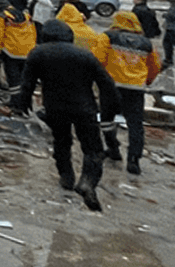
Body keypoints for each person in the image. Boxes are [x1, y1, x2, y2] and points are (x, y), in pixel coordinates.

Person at [14, 18, 120, 210]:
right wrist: (110, 109)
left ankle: (66, 177)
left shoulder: (38, 53)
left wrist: (24, 104)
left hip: (55, 107)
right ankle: (87, 181)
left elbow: (27, 83)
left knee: (61, 142)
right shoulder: (85, 55)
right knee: (93, 149)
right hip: (85, 108)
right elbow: (106, 83)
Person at [100, 8, 161, 175]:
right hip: (135, 88)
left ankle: (113, 149)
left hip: (111, 86)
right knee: (135, 124)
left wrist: (98, 79)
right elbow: (154, 67)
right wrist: (146, 81)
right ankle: (134, 160)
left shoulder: (108, 37)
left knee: (106, 119)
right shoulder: (146, 43)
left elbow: (97, 58)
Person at [0, 2, 37, 91]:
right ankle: (26, 101)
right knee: (25, 78)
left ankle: (15, 102)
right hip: (27, 51)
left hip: (10, 52)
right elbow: (33, 33)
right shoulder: (26, 16)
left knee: (13, 80)